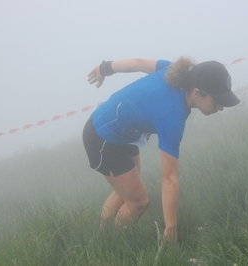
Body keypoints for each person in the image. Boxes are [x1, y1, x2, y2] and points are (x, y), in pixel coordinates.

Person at [84, 57, 239, 242]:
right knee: (138, 202)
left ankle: (101, 237)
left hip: (124, 131)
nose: (221, 107)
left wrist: (105, 68)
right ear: (197, 93)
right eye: (217, 101)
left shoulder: (175, 72)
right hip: (102, 136)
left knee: (126, 191)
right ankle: (113, 245)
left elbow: (138, 63)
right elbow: (169, 179)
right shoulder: (172, 116)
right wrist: (171, 229)